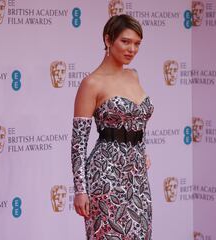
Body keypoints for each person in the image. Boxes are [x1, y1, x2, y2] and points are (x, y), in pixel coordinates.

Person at [71, 14, 154, 239]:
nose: (132, 49)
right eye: (125, 41)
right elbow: (78, 143)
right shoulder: (91, 83)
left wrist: (142, 151)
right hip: (105, 174)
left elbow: (138, 121)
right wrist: (80, 190)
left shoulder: (134, 76)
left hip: (137, 176)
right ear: (108, 40)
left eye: (137, 43)